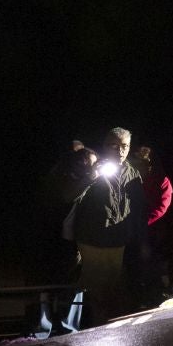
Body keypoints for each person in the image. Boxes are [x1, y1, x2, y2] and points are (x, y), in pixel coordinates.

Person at [24, 146, 95, 339]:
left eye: (92, 163)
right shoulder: (59, 179)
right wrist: (89, 179)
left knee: (72, 287)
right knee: (44, 286)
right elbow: (65, 197)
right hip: (50, 240)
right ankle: (39, 331)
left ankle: (69, 331)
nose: (88, 166)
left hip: (74, 242)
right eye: (84, 161)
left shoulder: (93, 182)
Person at [72, 128, 141, 325]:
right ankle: (96, 328)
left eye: (125, 146)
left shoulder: (131, 171)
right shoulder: (94, 166)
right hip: (93, 238)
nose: (120, 150)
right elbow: (71, 196)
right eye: (115, 145)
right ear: (105, 146)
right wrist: (90, 177)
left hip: (118, 239)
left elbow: (138, 205)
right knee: (96, 288)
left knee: (114, 286)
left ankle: (112, 327)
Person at [133, 144, 173, 303]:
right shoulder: (133, 179)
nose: (141, 166)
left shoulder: (162, 181)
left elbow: (161, 208)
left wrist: (142, 224)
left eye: (144, 163)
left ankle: (155, 299)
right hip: (133, 231)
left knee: (152, 267)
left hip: (153, 232)